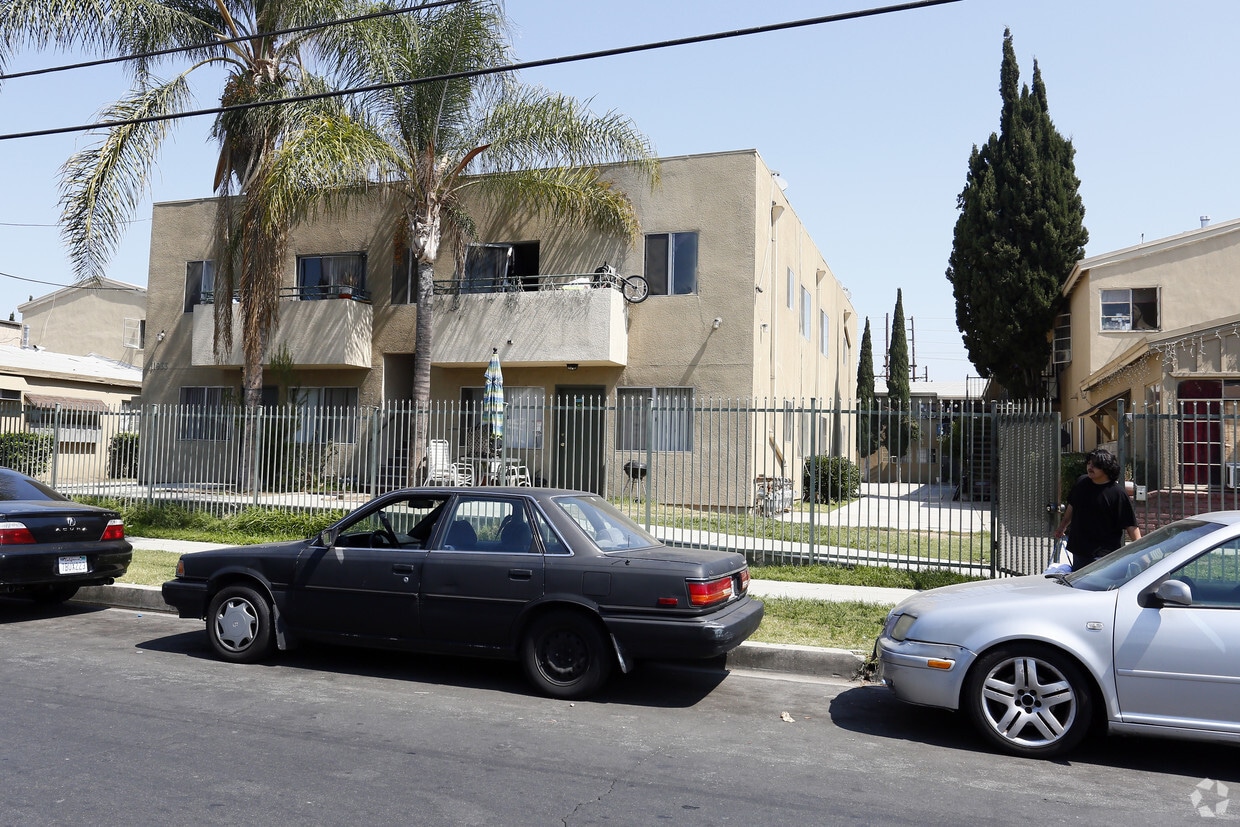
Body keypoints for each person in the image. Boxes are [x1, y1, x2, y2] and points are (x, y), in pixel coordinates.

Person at [1053, 448, 1141, 571]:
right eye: (1089, 463)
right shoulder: (1081, 483)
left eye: (1095, 465)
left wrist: (1141, 548)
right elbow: (1072, 506)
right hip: (1079, 550)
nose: (1090, 467)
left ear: (1106, 467)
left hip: (1103, 554)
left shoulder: (1117, 493)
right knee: (1079, 587)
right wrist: (1062, 527)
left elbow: (1130, 524)